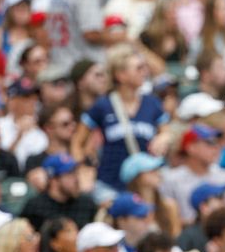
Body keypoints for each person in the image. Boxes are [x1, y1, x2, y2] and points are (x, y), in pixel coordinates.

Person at [71, 44, 166, 200]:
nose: (145, 72)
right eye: (138, 68)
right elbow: (77, 141)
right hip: (110, 184)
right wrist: (82, 167)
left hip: (144, 184)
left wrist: (164, 138)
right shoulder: (103, 105)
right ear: (120, 75)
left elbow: (166, 131)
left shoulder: (152, 103)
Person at [160, 124, 225, 224]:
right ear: (191, 147)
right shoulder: (170, 179)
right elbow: (167, 219)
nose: (216, 148)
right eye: (210, 143)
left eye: (218, 142)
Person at [20, 153, 98, 232]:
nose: (76, 178)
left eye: (76, 172)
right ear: (54, 180)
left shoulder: (86, 204)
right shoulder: (36, 206)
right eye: (70, 174)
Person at [121, 153, 181, 238]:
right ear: (137, 178)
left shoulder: (169, 206)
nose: (158, 174)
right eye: (151, 170)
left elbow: (176, 238)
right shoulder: (126, 210)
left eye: (157, 169)